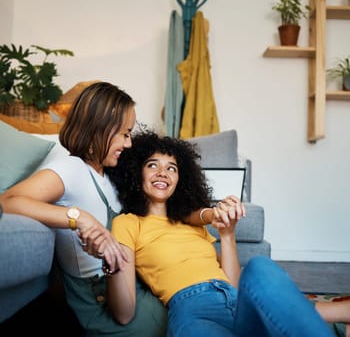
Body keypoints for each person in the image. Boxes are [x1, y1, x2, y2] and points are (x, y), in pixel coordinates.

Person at [0, 81, 241, 336]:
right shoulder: (70, 169)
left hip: (134, 283)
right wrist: (78, 217)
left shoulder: (107, 175)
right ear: (102, 129)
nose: (128, 144)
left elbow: (167, 210)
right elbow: (8, 201)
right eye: (125, 134)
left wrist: (210, 214)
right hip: (104, 297)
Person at [104, 130, 334, 337]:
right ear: (136, 174)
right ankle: (329, 313)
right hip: (193, 310)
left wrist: (227, 234)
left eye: (171, 168)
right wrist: (112, 263)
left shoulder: (193, 223)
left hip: (237, 305)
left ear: (180, 180)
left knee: (259, 267)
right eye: (153, 165)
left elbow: (232, 283)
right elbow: (124, 314)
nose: (163, 173)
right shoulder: (128, 223)